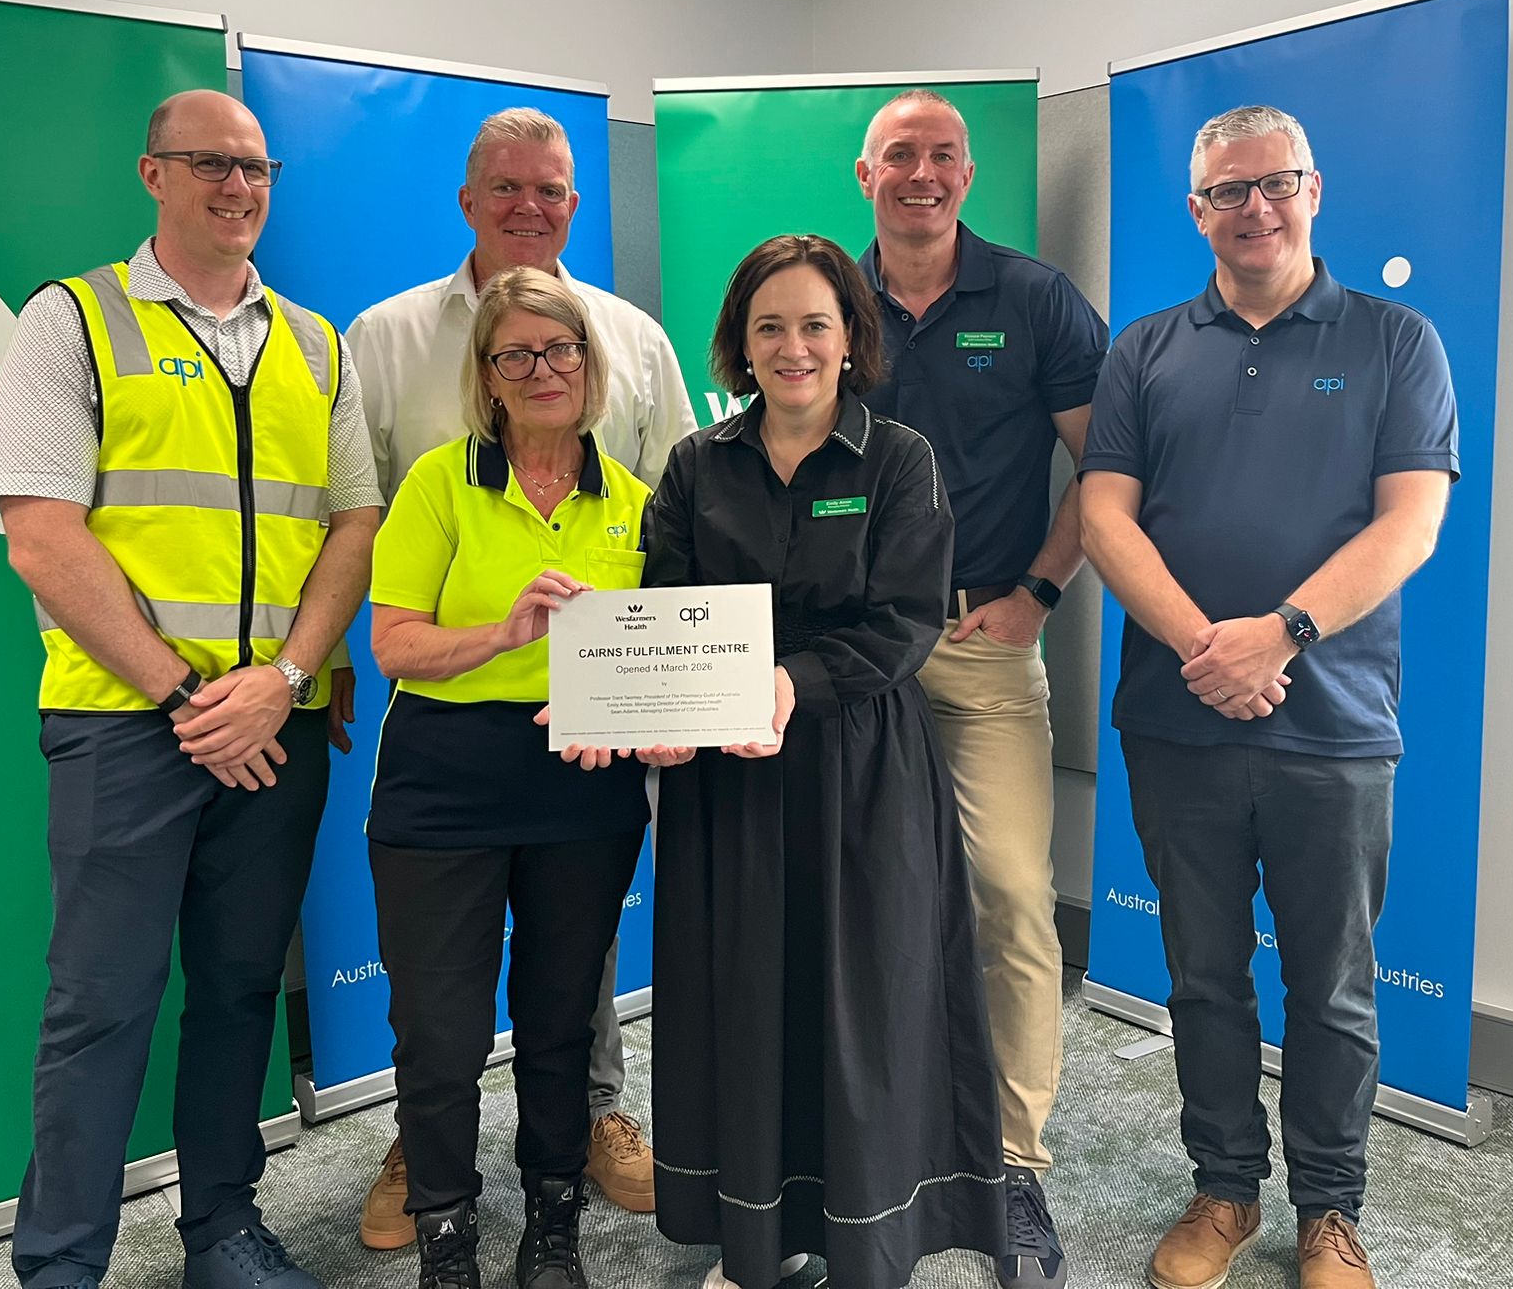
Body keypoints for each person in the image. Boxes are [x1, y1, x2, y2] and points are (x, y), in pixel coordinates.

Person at [0, 90, 381, 1289]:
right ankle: (59, 1263)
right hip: (125, 730)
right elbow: (42, 536)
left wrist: (286, 679)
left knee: (241, 988)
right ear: (151, 174)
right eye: (211, 164)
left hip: (277, 728)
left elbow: (354, 522)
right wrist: (186, 699)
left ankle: (221, 1229)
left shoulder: (314, 343)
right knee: (99, 1006)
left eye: (257, 168)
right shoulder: (73, 322)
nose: (239, 187)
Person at [1077, 106, 1456, 1289]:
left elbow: (1411, 519)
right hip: (1177, 715)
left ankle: (1329, 1213)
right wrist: (1208, 647)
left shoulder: (1396, 340)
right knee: (1198, 973)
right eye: (1226, 192)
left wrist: (1281, 634)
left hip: (1334, 725)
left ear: (1313, 187)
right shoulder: (1142, 349)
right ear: (1195, 212)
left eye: (1274, 183)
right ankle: (1223, 1188)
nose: (1253, 207)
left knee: (1331, 984)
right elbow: (1100, 515)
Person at [347, 107, 692, 1244]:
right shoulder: (387, 342)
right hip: (445, 729)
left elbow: (682, 529)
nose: (528, 208)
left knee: (565, 987)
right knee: (438, 1014)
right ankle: (429, 1148)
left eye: (549, 190)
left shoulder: (637, 340)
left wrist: (671, 692)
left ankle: (584, 1127)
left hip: (587, 738)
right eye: (505, 188)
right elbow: (363, 531)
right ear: (467, 199)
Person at [640, 234, 1006, 1289]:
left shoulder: (898, 460)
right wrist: (659, 707)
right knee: (745, 998)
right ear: (737, 348)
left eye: (814, 324)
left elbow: (901, 625)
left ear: (850, 340)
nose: (792, 346)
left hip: (860, 769)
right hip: (731, 775)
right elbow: (666, 609)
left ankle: (866, 1242)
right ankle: (755, 1243)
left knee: (863, 1008)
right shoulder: (694, 465)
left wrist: (791, 684)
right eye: (769, 327)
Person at [855, 89, 1106, 1289]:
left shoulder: (1034, 298)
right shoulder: (828, 301)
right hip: (849, 657)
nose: (922, 173)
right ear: (865, 176)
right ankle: (859, 1150)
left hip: (981, 645)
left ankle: (1011, 1165)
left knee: (1010, 894)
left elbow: (1104, 466)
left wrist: (1041, 593)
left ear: (967, 174)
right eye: (899, 154)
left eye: (941, 155)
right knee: (853, 907)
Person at [367, 267, 653, 1289]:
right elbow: (393, 645)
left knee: (557, 1021)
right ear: (487, 377)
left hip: (582, 788)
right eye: (516, 354)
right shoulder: (440, 481)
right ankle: (446, 1229)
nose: (542, 370)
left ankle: (552, 1221)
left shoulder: (633, 505)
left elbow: (654, 661)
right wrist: (503, 632)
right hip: (442, 778)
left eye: (561, 349)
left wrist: (649, 726)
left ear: (590, 364)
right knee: (438, 1033)